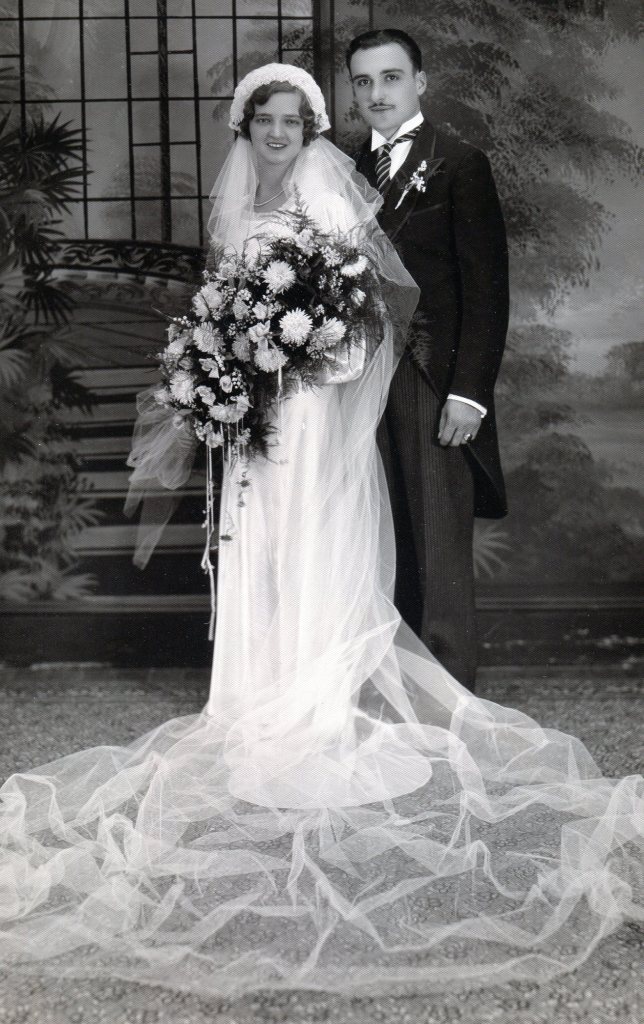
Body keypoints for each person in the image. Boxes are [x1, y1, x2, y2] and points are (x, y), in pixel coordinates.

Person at [0, 64, 641, 1005]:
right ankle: (252, 695)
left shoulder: (331, 198)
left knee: (311, 537)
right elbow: (219, 301)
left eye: (294, 119)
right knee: (254, 546)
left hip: (306, 412)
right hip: (250, 418)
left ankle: (318, 696)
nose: (278, 133)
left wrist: (298, 355)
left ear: (312, 127)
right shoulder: (234, 206)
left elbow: (368, 321)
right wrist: (221, 367)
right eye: (265, 119)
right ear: (246, 125)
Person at [348, 28, 509, 692]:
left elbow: (487, 287)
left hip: (432, 379)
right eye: (363, 81)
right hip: (359, 381)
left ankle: (453, 707)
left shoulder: (460, 163)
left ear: (420, 82)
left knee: (439, 546)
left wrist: (468, 392)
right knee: (381, 541)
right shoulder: (344, 167)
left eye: (391, 78)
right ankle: (399, 696)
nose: (377, 93)